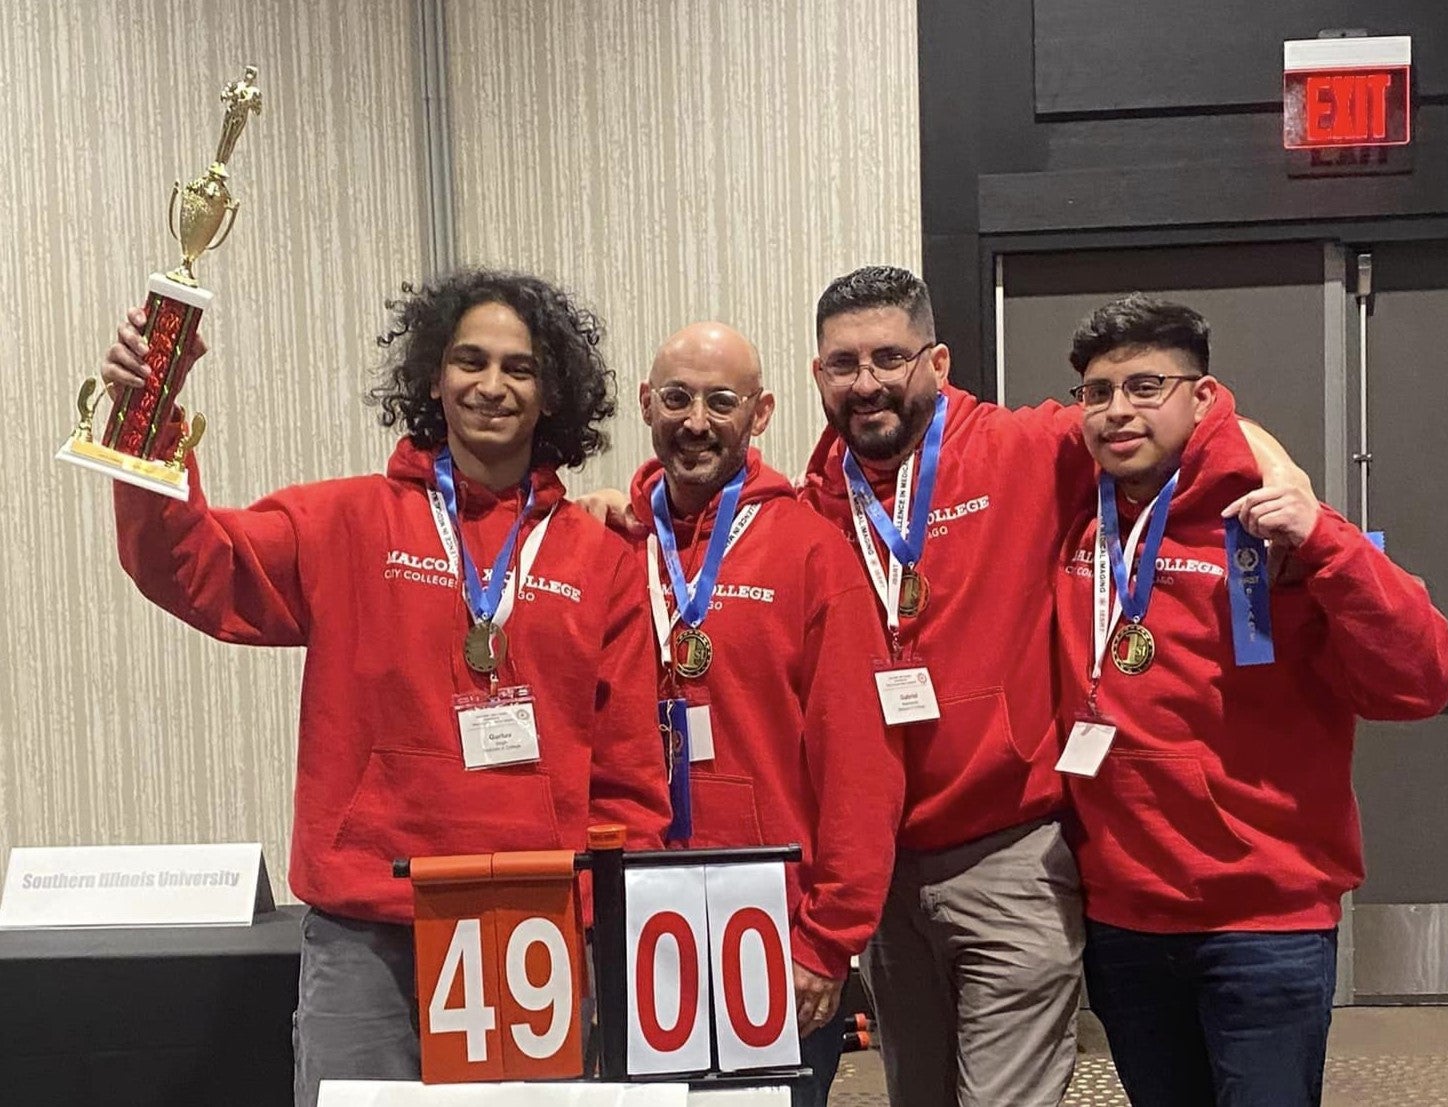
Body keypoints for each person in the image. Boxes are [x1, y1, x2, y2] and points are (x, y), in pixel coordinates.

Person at [101, 268, 671, 1107]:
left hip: (530, 929)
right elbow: (187, 567)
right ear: (433, 380)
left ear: (552, 394)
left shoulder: (599, 560)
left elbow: (629, 773)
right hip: (366, 927)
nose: (492, 385)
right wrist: (146, 426)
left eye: (519, 368)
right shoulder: (343, 522)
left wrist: (605, 928)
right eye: (469, 361)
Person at [798, 266, 1303, 1107]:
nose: (868, 382)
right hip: (885, 873)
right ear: (817, 376)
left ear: (939, 361)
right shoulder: (815, 502)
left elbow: (1174, 421)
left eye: (890, 356)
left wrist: (1286, 477)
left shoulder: (1021, 446)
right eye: (843, 364)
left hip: (1011, 855)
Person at [1054, 294, 1448, 1107]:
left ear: (1203, 398)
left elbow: (1423, 680)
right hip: (1126, 918)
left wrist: (1324, 537)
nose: (1116, 410)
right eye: (1097, 392)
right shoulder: (1077, 512)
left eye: (1145, 385)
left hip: (1264, 923)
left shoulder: (1278, 527)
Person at [629, 321, 904, 1106]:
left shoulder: (814, 556)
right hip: (634, 923)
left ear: (762, 412)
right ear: (648, 403)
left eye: (722, 401)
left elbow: (860, 765)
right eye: (677, 398)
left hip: (771, 930)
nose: (696, 421)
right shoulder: (611, 544)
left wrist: (826, 941)